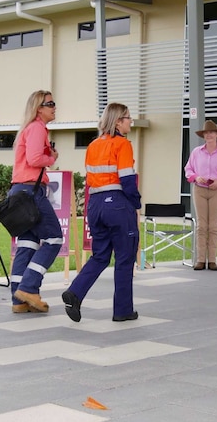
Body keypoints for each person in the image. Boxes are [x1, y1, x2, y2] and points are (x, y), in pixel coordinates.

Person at [61, 103, 141, 323]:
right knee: (125, 257)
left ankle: (75, 293)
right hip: (117, 204)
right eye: (127, 118)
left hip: (95, 204)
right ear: (117, 121)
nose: (130, 121)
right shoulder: (122, 144)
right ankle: (123, 310)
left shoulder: (93, 145)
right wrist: (136, 202)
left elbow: (90, 180)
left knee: (100, 256)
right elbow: (127, 180)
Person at [9, 90, 64, 313]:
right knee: (54, 238)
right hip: (31, 191)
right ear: (38, 108)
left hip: (21, 191)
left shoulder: (31, 128)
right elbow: (34, 159)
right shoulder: (37, 128)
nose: (54, 106)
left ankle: (19, 301)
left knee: (27, 244)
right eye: (50, 103)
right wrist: (51, 158)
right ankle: (29, 287)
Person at [184, 120, 217, 271]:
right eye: (206, 133)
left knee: (213, 226)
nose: (209, 135)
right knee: (201, 225)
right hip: (199, 189)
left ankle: (212, 260)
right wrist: (195, 177)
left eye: (212, 132)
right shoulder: (196, 152)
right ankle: (200, 260)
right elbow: (188, 169)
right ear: (203, 135)